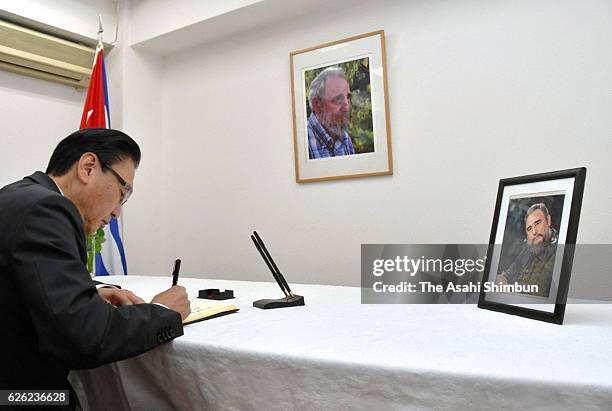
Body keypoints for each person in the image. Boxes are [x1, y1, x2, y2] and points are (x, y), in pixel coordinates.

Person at [0, 128, 191, 409]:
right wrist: (162, 312)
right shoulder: (48, 209)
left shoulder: (16, 196)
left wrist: (88, 295)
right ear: (88, 167)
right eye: (123, 193)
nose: (116, 213)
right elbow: (84, 337)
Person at [496, 203, 558, 297]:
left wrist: (507, 288)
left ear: (548, 220)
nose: (534, 232)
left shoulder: (560, 249)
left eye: (537, 223)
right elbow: (505, 277)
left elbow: (539, 292)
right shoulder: (530, 248)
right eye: (529, 229)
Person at [307, 66, 356, 159]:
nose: (347, 108)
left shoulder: (345, 139)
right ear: (317, 105)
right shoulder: (302, 142)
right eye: (338, 99)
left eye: (348, 97)